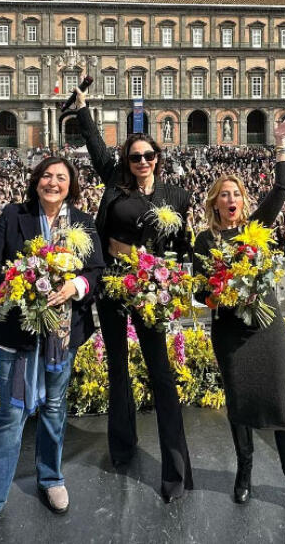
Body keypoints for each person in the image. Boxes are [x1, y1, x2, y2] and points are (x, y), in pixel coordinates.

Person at [69, 86, 195, 501]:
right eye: (135, 156)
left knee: (161, 371)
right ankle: (122, 448)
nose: (142, 161)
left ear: (158, 157)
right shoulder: (117, 184)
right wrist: (83, 109)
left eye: (148, 155)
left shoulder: (177, 196)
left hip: (149, 288)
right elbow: (96, 148)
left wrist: (174, 280)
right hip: (111, 284)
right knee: (117, 366)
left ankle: (175, 469)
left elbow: (182, 246)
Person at [0, 157, 105, 542]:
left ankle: (51, 477)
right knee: (12, 415)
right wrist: (17, 287)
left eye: (61, 177)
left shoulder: (82, 221)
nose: (53, 182)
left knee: (54, 408)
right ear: (36, 181)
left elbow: (95, 270)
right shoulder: (14, 216)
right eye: (47, 175)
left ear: (71, 185)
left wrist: (76, 286)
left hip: (63, 336)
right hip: (17, 334)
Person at [193, 111, 285, 521]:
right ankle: (244, 470)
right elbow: (197, 289)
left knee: (282, 403)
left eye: (237, 194)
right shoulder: (204, 240)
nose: (231, 200)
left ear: (244, 201)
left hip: (266, 327)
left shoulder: (255, 229)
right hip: (229, 330)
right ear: (215, 202)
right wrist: (219, 291)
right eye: (224, 195)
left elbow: (281, 188)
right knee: (240, 402)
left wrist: (280, 144)